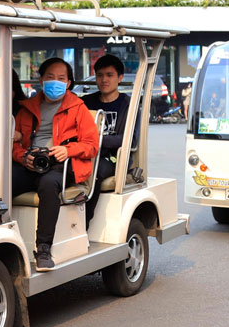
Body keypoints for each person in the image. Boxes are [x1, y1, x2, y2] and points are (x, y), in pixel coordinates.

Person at [12, 58, 99, 271]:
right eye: (50, 77)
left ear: (69, 83)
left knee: (49, 184)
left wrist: (67, 150)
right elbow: (14, 144)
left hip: (64, 165)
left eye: (61, 78)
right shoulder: (27, 108)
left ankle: (43, 249)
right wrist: (23, 157)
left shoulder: (78, 107)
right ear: (41, 80)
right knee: (5, 180)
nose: (55, 82)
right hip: (31, 163)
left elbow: (91, 145)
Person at [82, 55, 139, 226]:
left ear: (120, 78)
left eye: (109, 75)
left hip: (114, 158)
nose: (104, 79)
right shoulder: (85, 102)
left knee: (94, 170)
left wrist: (96, 141)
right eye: (100, 75)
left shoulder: (129, 104)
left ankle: (84, 221)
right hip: (86, 153)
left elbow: (129, 140)